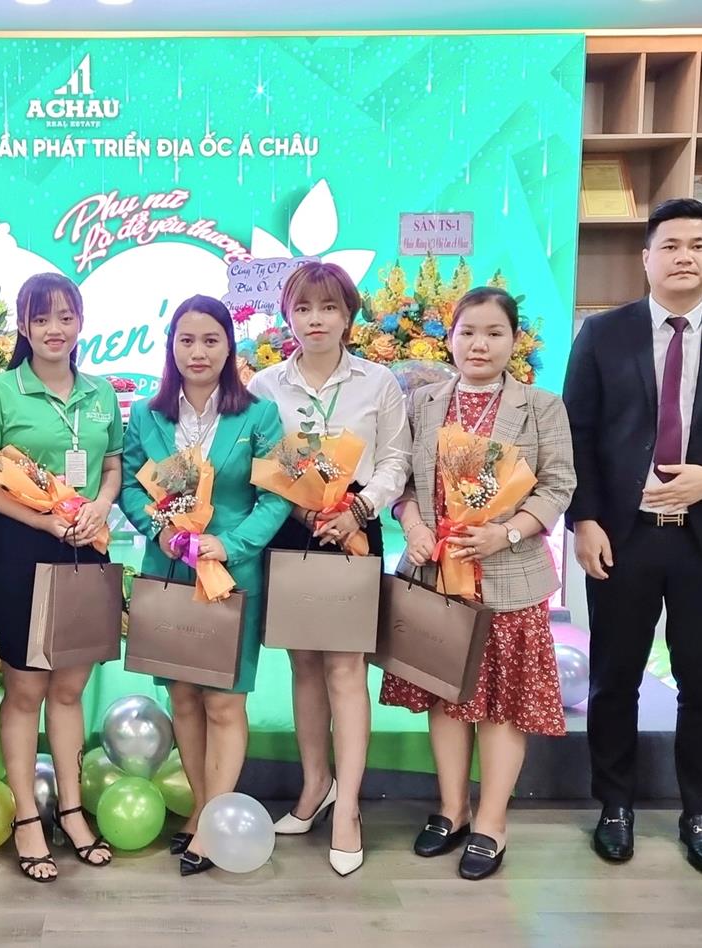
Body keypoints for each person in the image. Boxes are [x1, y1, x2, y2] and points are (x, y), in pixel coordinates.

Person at [562, 198, 702, 877]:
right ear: (646, 258)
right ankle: (615, 806)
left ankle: (699, 812)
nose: (683, 256)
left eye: (697, 244)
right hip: (624, 536)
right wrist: (584, 520)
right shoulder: (604, 333)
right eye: (670, 245)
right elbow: (575, 433)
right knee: (614, 680)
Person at [382, 287, 576, 880]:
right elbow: (402, 482)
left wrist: (506, 533)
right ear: (449, 338)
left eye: (494, 333)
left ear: (515, 340)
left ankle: (492, 821)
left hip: (509, 578)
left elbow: (558, 485)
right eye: (467, 332)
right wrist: (413, 525)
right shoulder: (423, 403)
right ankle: (452, 810)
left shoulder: (541, 406)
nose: (479, 344)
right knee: (445, 696)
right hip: (434, 574)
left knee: (500, 705)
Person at [248, 261, 411, 877]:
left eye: (329, 308)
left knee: (345, 667)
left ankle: (348, 808)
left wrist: (358, 510)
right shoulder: (266, 385)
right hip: (291, 527)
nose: (315, 320)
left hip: (355, 528)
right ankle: (315, 786)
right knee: (304, 665)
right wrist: (298, 506)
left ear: (348, 315)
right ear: (287, 317)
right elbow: (259, 462)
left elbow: (395, 460)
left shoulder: (378, 382)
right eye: (303, 308)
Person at [119, 295, 292, 877]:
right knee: (184, 697)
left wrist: (232, 544)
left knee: (223, 700)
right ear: (171, 346)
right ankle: (200, 808)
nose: (198, 352)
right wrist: (160, 528)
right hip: (168, 574)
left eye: (211, 340)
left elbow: (276, 495)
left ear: (228, 346)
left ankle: (215, 818)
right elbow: (132, 487)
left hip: (230, 578)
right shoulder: (149, 415)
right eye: (186, 340)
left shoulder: (258, 416)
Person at [0, 272, 122, 882]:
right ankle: (27, 815)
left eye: (66, 317)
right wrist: (40, 520)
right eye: (41, 318)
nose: (55, 329)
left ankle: (72, 810)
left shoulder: (101, 393)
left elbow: (113, 463)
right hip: (23, 551)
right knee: (26, 691)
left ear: (81, 323)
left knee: (70, 691)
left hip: (88, 549)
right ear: (23, 327)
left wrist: (101, 504)